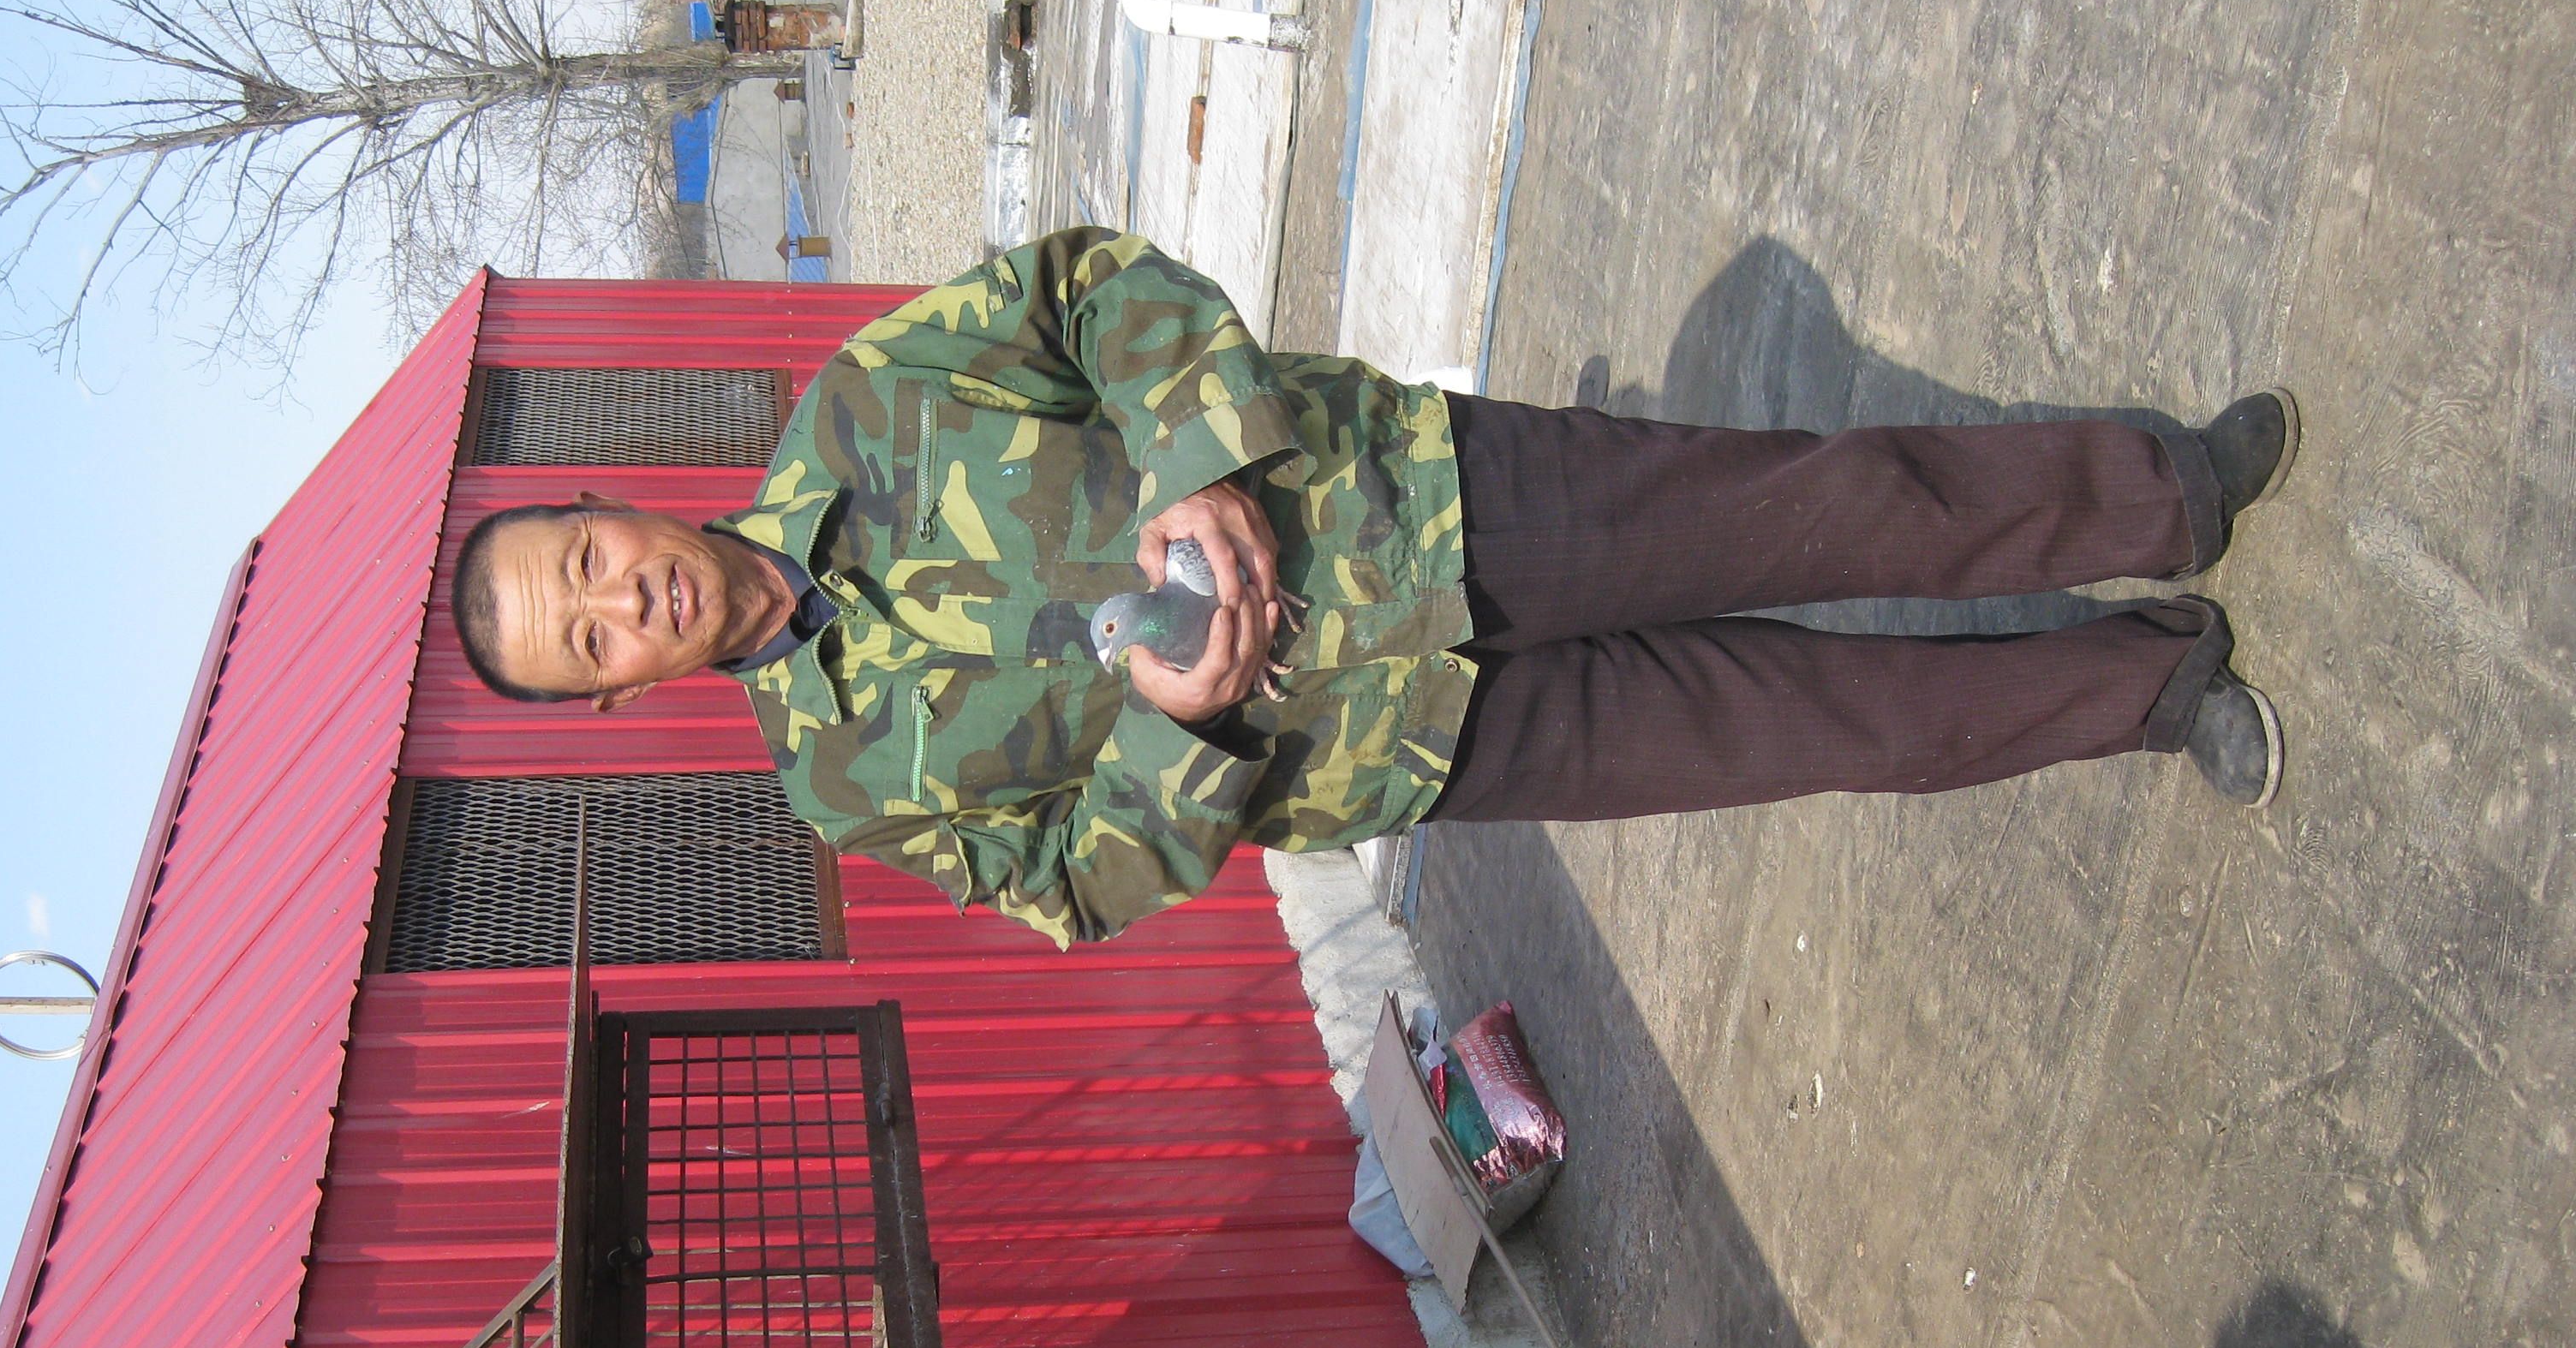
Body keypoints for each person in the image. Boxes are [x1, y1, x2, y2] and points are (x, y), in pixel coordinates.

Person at [450, 229, 2294, 948]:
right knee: (1824, 725)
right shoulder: (840, 783)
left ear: (612, 506)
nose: (625, 602)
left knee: (1828, 511)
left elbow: (1087, 291)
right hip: (1410, 746)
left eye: (586, 563)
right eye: (587, 638)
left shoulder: (864, 404)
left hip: (1427, 500)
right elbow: (1064, 888)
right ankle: (2148, 692)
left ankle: (2168, 491)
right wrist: (1177, 739)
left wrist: (1191, 455)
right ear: (611, 696)